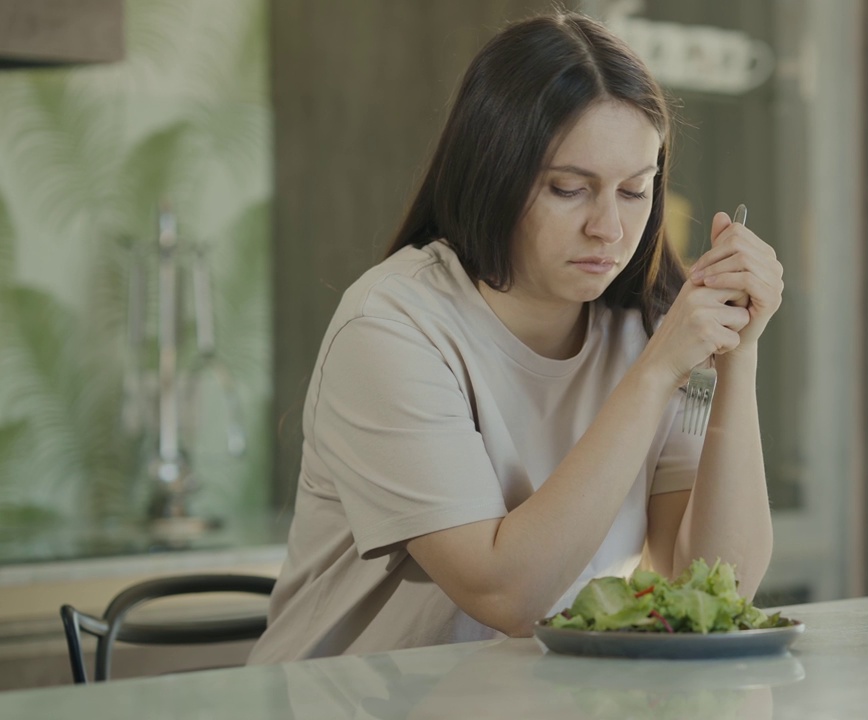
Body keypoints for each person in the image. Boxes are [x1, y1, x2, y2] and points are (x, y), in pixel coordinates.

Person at [249, 11, 783, 663]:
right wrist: (656, 373)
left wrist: (741, 359)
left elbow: (712, 584)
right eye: (569, 189)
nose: (610, 229)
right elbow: (506, 598)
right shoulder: (393, 326)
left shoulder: (643, 322)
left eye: (635, 190)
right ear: (494, 171)